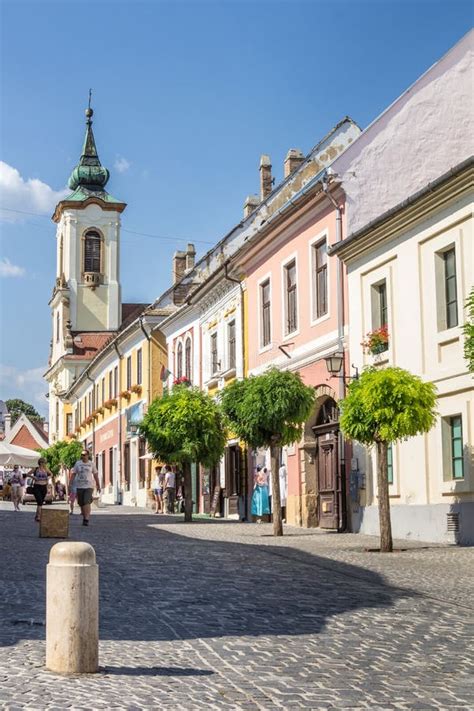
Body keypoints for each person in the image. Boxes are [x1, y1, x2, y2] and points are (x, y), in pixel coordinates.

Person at [72, 450, 101, 526]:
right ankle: (84, 517)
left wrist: (98, 485)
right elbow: (73, 474)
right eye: (82, 455)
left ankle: (86, 519)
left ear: (88, 455)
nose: (83, 456)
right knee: (81, 503)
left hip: (89, 486)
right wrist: (70, 484)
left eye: (84, 455)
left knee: (86, 501)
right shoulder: (78, 464)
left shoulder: (91, 464)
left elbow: (95, 475)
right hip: (79, 486)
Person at [28, 458, 52, 523]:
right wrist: (34, 477)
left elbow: (51, 474)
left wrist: (49, 477)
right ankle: (38, 516)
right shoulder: (35, 469)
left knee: (40, 502)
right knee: (40, 501)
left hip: (44, 487)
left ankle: (37, 515)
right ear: (40, 463)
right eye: (44, 462)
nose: (45, 464)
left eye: (45, 463)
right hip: (37, 487)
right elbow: (28, 474)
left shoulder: (46, 469)